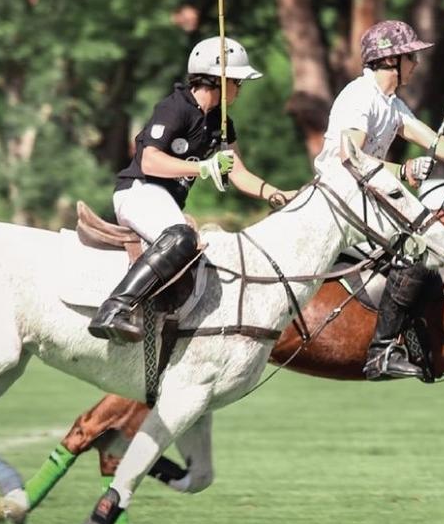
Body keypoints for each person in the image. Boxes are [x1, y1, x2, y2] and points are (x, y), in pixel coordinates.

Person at [314, 20, 444, 380]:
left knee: (432, 249)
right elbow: (350, 157)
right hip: (340, 196)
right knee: (416, 249)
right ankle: (379, 354)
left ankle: (413, 342)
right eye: (412, 56)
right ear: (392, 60)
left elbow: (433, 142)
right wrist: (404, 171)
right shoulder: (359, 96)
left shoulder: (391, 104)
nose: (417, 63)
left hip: (369, 199)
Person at [88, 36, 296, 343]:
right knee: (182, 237)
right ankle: (115, 308)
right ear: (217, 80)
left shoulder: (221, 122)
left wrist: (280, 195)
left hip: (166, 200)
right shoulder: (175, 108)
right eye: (237, 81)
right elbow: (149, 160)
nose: (240, 88)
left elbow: (239, 173)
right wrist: (203, 168)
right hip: (139, 191)